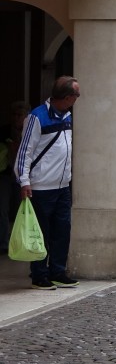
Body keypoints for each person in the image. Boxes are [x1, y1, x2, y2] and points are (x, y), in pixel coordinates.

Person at [14, 76, 80, 290]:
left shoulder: (67, 116)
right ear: (68, 97)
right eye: (76, 95)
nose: (78, 98)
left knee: (63, 230)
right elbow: (25, 152)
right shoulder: (37, 117)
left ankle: (58, 271)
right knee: (41, 232)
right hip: (41, 187)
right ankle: (39, 274)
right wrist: (24, 181)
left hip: (62, 186)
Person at [1, 101, 26, 233]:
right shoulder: (4, 131)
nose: (16, 117)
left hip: (24, 176)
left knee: (21, 208)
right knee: (2, 208)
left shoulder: (30, 131)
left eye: (19, 115)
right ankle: (4, 243)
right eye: (14, 114)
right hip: (6, 174)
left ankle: (20, 239)